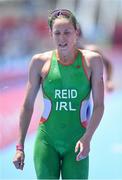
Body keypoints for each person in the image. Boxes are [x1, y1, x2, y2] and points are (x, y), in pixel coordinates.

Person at [13, 9, 104, 179]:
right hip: (47, 141)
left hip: (77, 142)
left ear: (76, 32)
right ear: (51, 34)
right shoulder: (39, 62)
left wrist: (87, 138)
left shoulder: (92, 61)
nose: (62, 38)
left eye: (67, 32)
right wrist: (20, 147)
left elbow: (99, 105)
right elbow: (27, 105)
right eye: (57, 33)